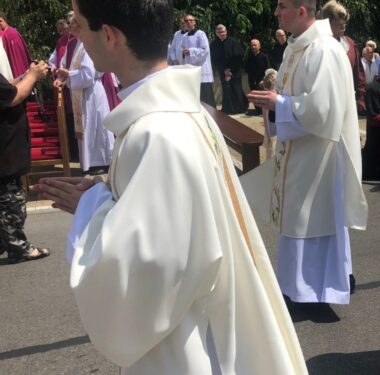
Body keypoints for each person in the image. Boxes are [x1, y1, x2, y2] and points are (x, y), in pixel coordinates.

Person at [34, 0, 307, 373]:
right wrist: (108, 191)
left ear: (110, 35)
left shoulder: (157, 132)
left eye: (80, 25)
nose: (76, 35)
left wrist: (92, 207)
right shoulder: (181, 111)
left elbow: (150, 269)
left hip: (187, 339)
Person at [246, 0, 367, 306]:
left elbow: (323, 110)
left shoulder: (323, 50)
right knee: (297, 217)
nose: (276, 13)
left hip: (319, 155)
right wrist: (275, 104)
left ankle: (312, 291)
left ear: (301, 11)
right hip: (299, 150)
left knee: (310, 218)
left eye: (282, 6)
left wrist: (280, 105)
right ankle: (296, 287)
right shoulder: (296, 48)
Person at [1, 61, 51, 264]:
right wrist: (32, 76)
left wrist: (24, 76)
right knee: (10, 200)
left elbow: (6, 88)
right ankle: (18, 247)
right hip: (4, 154)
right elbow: (13, 96)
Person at [54, 15, 115, 175]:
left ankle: (101, 162)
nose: (70, 26)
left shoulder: (88, 44)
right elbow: (64, 65)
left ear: (80, 25)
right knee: (88, 127)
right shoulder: (75, 43)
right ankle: (89, 162)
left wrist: (68, 75)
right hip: (81, 92)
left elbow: (89, 74)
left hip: (91, 93)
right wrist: (61, 74)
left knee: (95, 127)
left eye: (73, 23)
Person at [320, 0, 367, 112]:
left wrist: (360, 98)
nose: (343, 24)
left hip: (348, 101)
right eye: (339, 19)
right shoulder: (318, 45)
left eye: (344, 19)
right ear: (328, 21)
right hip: (325, 103)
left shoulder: (350, 44)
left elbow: (359, 73)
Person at [177, 14, 214, 107]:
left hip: (202, 68)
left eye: (190, 20)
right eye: (186, 20)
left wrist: (190, 51)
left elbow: (205, 50)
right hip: (190, 69)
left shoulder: (201, 34)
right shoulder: (184, 36)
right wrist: (183, 53)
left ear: (195, 22)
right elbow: (180, 50)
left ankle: (211, 115)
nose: (188, 22)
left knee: (205, 95)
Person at [210, 24, 247, 115]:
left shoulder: (233, 42)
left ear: (226, 31)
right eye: (219, 32)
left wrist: (230, 71)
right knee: (226, 89)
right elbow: (214, 60)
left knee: (236, 89)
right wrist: (224, 70)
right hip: (223, 71)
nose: (221, 33)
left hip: (235, 70)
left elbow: (238, 57)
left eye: (223, 31)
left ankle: (240, 108)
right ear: (216, 33)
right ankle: (228, 109)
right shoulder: (214, 44)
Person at [244, 39, 271, 116]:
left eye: (255, 45)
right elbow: (247, 70)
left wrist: (264, 80)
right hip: (252, 81)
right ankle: (258, 110)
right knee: (255, 97)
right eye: (252, 45)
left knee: (262, 97)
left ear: (259, 46)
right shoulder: (249, 58)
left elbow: (268, 69)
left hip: (262, 81)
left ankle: (264, 111)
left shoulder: (264, 57)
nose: (253, 47)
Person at [0, 13, 31, 79]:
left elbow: (17, 56)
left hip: (18, 68)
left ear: (5, 20)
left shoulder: (12, 34)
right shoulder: (3, 34)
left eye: (0, 21)